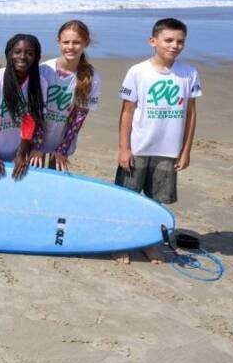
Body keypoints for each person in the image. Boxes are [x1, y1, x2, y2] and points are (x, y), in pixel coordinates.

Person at [114, 18, 202, 264]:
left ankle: (148, 243)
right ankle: (119, 242)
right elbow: (127, 113)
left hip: (168, 151)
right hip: (138, 148)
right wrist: (124, 148)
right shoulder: (138, 71)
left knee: (155, 202)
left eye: (180, 41)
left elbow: (191, 114)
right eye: (169, 40)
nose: (174, 45)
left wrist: (185, 151)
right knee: (127, 198)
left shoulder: (189, 73)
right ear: (153, 41)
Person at [33, 20, 100, 172]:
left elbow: (78, 118)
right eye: (66, 42)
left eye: (76, 42)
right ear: (59, 43)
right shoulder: (43, 70)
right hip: (35, 138)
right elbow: (34, 111)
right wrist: (37, 145)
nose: (70, 47)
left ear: (86, 43)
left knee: (55, 183)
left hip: (63, 140)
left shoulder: (92, 77)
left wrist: (63, 148)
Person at [0, 34, 47, 181]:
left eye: (29, 53)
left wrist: (21, 155)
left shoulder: (39, 82)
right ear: (9, 53)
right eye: (17, 52)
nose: (23, 57)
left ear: (36, 57)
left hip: (19, 147)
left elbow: (29, 121)